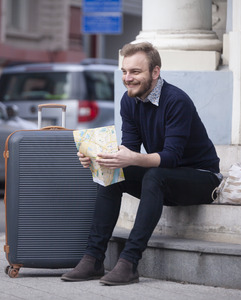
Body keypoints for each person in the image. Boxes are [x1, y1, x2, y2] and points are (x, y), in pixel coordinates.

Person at [61, 42, 221, 286]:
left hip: (202, 178)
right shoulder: (129, 101)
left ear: (155, 72)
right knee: (112, 171)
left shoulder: (176, 101)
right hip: (166, 178)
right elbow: (130, 150)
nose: (128, 78)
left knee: (155, 176)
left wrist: (132, 158)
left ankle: (129, 263)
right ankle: (93, 258)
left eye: (135, 72)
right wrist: (98, 158)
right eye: (125, 72)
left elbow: (171, 157)